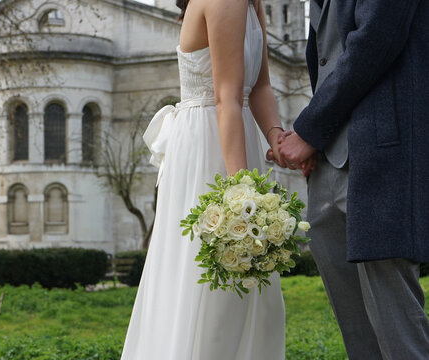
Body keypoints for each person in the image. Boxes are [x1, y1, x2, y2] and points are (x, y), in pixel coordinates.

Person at [121, 0, 289, 359]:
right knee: (213, 281)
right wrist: (242, 194)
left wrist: (276, 136)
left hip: (234, 132)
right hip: (211, 142)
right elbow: (225, 98)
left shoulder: (252, 1)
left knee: (246, 278)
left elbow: (259, 87)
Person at [272, 0, 429, 358]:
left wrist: (309, 130)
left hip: (381, 155)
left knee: (399, 331)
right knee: (359, 337)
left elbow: (377, 37)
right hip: (327, 164)